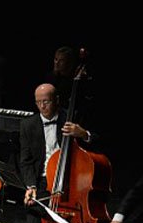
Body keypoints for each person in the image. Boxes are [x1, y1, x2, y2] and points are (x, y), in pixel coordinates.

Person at [18, 83, 94, 214]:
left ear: (56, 100)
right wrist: (31, 186)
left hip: (71, 181)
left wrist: (83, 133)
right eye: (38, 102)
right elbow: (26, 161)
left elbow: (99, 140)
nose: (42, 106)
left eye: (46, 101)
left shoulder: (71, 117)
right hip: (42, 181)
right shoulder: (27, 125)